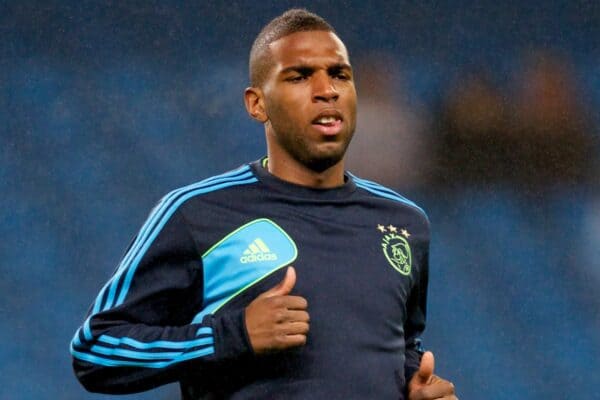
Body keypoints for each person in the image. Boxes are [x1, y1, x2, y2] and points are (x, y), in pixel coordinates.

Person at [71, 9, 457, 400]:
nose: (327, 89)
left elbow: (402, 348)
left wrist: (417, 387)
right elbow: (95, 350)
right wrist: (232, 336)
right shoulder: (196, 212)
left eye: (340, 74)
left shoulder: (404, 222)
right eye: (300, 76)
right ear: (257, 104)